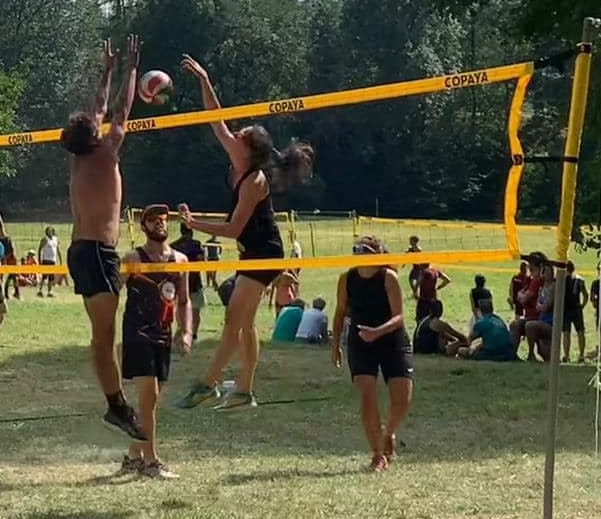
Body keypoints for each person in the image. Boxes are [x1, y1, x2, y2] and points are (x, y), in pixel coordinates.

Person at [174, 54, 314, 413]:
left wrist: (194, 224)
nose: (233, 133)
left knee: (233, 323)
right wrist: (204, 78)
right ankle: (244, 392)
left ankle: (207, 385)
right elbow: (215, 117)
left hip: (264, 254)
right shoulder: (237, 161)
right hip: (252, 252)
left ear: (249, 150)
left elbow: (234, 228)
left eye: (241, 135)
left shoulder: (255, 181)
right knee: (246, 324)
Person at [62, 36, 146, 440]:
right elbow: (121, 110)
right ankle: (116, 406)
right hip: (97, 252)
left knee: (103, 336)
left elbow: (99, 106)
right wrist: (131, 69)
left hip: (82, 251)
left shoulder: (78, 157)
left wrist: (109, 69)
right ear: (94, 134)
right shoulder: (105, 151)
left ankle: (117, 403)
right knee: (103, 337)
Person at [117, 205, 186, 480]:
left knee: (152, 402)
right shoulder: (134, 258)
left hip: (163, 334)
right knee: (148, 398)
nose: (160, 223)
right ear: (143, 226)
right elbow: (113, 289)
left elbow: (184, 301)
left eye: (163, 219)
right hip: (138, 333)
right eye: (153, 220)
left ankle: (133, 456)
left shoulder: (180, 260)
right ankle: (151, 462)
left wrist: (186, 331)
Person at [331, 236, 411, 471]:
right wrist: (335, 345)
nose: (358, 253)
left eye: (364, 250)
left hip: (391, 338)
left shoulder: (388, 277)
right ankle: (377, 454)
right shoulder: (347, 279)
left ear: (377, 254)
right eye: (355, 250)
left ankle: (388, 433)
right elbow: (340, 312)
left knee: (402, 399)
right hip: (361, 342)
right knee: (368, 394)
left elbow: (399, 317)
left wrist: (378, 332)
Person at [170, 222, 205, 354]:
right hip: (195, 283)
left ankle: (181, 336)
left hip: (179, 283)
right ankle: (192, 336)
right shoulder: (196, 244)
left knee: (181, 312)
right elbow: (202, 261)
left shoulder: (173, 245)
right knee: (195, 312)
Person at [459, 296, 518, 362]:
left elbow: (469, 340)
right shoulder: (499, 320)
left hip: (492, 354)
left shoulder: (480, 323)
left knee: (462, 350)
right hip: (508, 353)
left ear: (480, 311)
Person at [412, 291, 468, 356]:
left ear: (430, 310)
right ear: (441, 311)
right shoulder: (438, 323)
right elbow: (458, 335)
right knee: (462, 342)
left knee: (443, 337)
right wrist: (463, 341)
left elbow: (446, 336)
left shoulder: (424, 320)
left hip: (419, 350)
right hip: (428, 352)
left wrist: (452, 340)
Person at [0, 194, 21, 301]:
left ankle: (13, 293)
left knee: (12, 275)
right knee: (10, 275)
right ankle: (6, 293)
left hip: (7, 256)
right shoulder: (1, 232)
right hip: (8, 256)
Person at [560, 262, 588, 363]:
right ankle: (581, 355)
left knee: (566, 333)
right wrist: (582, 305)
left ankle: (566, 355)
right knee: (580, 331)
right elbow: (585, 295)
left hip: (566, 309)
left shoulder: (561, 280)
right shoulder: (580, 280)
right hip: (576, 308)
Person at [37, 227, 61, 297]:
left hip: (52, 260)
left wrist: (60, 259)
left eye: (51, 231)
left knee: (51, 277)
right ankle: (40, 290)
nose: (50, 232)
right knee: (44, 276)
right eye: (49, 231)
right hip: (46, 260)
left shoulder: (55, 239)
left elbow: (57, 249)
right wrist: (39, 260)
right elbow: (40, 249)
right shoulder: (45, 239)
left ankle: (49, 291)